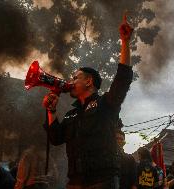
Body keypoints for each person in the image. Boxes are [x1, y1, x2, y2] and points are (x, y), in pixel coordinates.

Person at [42, 15, 134, 188]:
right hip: (75, 182)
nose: (71, 81)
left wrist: (125, 42)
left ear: (89, 81)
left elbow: (122, 80)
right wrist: (51, 111)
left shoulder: (106, 104)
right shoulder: (72, 114)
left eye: (75, 77)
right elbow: (55, 138)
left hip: (102, 182)